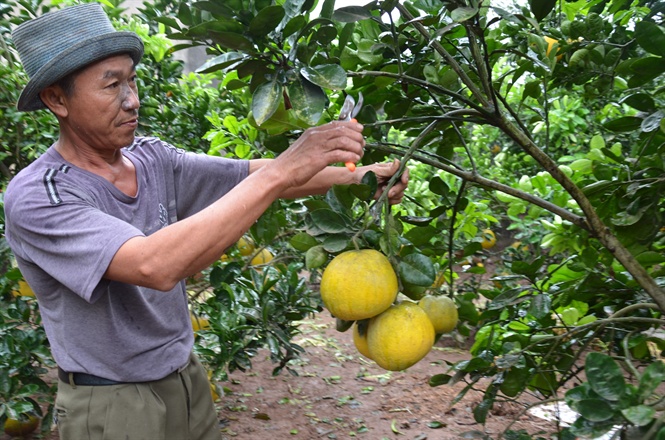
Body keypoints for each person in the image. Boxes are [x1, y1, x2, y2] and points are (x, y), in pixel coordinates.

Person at [4, 3, 409, 440]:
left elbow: (249, 177)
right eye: (112, 85)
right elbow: (152, 266)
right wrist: (286, 167)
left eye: (132, 80)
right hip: (112, 402)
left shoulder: (150, 156)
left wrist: (364, 177)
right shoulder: (39, 197)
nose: (132, 100)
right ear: (57, 99)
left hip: (186, 378)